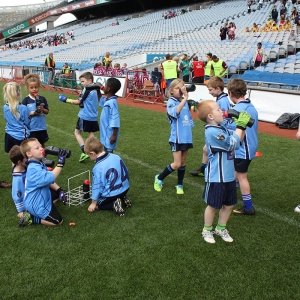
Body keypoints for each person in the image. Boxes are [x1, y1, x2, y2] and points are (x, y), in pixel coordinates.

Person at [197, 100, 250, 244]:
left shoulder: (222, 128)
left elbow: (238, 140)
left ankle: (221, 228)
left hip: (229, 176)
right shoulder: (212, 132)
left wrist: (242, 126)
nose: (222, 111)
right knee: (213, 205)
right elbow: (232, 144)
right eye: (218, 109)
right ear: (210, 116)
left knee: (229, 204)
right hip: (216, 177)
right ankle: (207, 230)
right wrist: (240, 125)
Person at [154, 79, 194, 195]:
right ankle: (159, 178)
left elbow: (189, 118)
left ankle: (179, 184)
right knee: (176, 164)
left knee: (183, 162)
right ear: (171, 91)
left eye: (182, 88)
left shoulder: (184, 101)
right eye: (178, 88)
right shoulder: (171, 102)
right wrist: (185, 98)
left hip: (186, 137)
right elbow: (175, 112)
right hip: (177, 138)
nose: (181, 90)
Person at [9, 145, 66, 224]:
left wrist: (59, 190)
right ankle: (32, 218)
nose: (29, 158)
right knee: (58, 221)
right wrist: (21, 210)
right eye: (26, 157)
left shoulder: (29, 166)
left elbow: (45, 179)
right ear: (19, 162)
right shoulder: (18, 179)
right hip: (34, 200)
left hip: (39, 192)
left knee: (58, 195)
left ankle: (46, 206)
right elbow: (17, 195)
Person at [189, 76, 234, 177]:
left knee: (214, 152)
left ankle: (211, 171)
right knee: (206, 150)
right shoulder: (221, 99)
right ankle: (203, 169)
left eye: (210, 90)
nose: (209, 92)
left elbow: (224, 118)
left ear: (218, 88)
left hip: (223, 132)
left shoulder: (222, 101)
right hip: (221, 130)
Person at [227, 79, 258, 216]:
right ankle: (229, 195)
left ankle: (248, 207)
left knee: (242, 176)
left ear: (230, 93)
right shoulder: (250, 106)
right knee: (235, 172)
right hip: (251, 145)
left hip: (243, 147)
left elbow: (234, 131)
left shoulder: (237, 109)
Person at [84, 136, 131, 216]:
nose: (89, 157)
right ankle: (123, 197)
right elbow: (126, 170)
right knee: (116, 190)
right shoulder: (116, 156)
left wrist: (93, 203)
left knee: (99, 203)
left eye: (89, 155)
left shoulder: (98, 167)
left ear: (92, 153)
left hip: (112, 194)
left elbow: (97, 186)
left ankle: (113, 204)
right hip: (125, 188)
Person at [58, 72, 99, 162]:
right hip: (94, 116)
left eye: (83, 81)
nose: (81, 83)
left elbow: (78, 102)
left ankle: (84, 152)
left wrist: (65, 100)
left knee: (77, 132)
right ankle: (96, 152)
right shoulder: (95, 89)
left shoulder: (87, 89)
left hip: (85, 116)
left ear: (90, 81)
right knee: (91, 135)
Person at [22, 73, 49, 148]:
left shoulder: (42, 98)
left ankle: (43, 158)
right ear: (27, 88)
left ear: (39, 87)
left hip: (41, 127)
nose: (34, 89)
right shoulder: (26, 100)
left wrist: (43, 109)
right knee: (32, 145)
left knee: (42, 144)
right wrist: (32, 113)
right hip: (31, 128)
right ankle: (33, 159)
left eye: (36, 87)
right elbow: (23, 115)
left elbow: (47, 111)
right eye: (31, 87)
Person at [3, 82, 31, 154]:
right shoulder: (23, 108)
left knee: (13, 157)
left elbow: (6, 118)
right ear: (18, 93)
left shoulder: (5, 107)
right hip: (20, 136)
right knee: (23, 158)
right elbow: (27, 123)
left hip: (9, 134)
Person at [99, 78, 121, 153]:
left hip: (110, 134)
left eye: (105, 85)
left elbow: (115, 119)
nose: (103, 87)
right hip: (106, 133)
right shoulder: (109, 100)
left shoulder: (112, 103)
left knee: (108, 153)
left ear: (108, 88)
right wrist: (97, 89)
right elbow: (101, 100)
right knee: (105, 151)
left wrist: (114, 135)